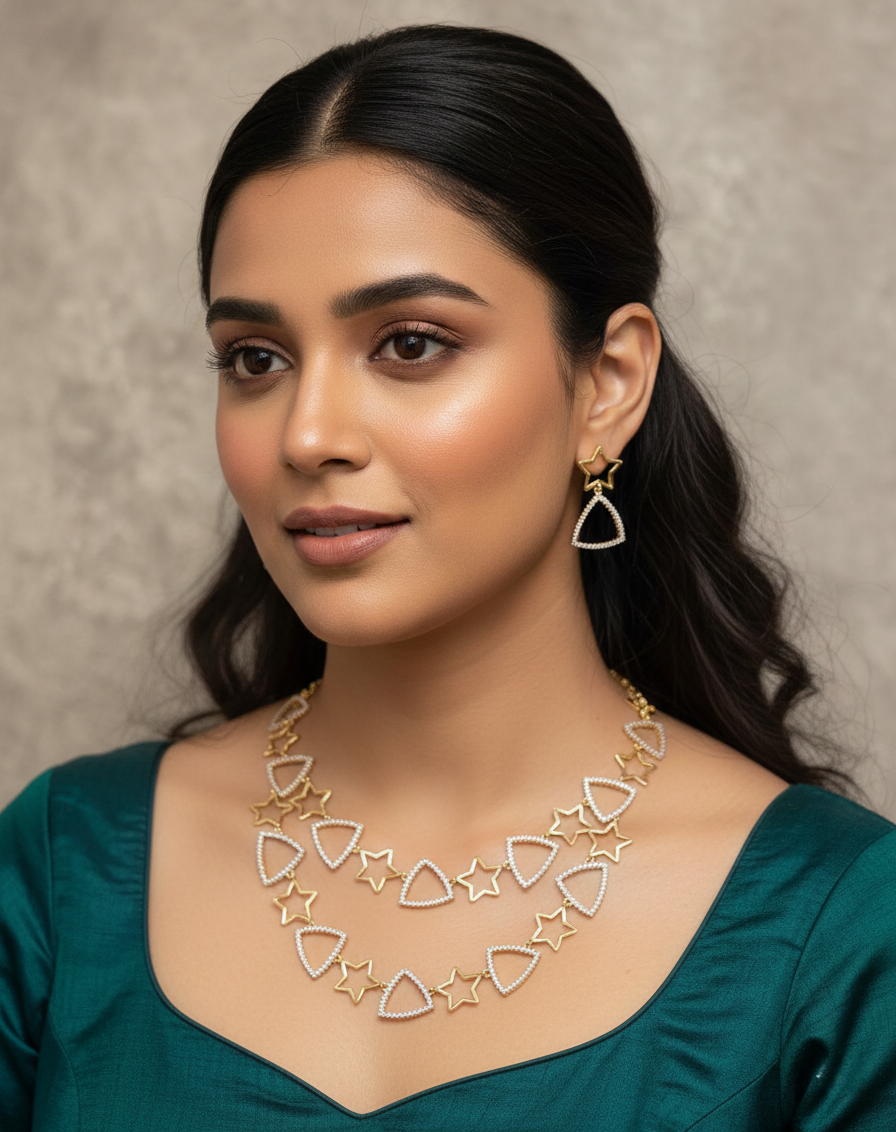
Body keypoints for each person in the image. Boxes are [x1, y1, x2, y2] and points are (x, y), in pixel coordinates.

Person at [1, 23, 894, 1130]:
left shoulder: (837, 926)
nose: (308, 432)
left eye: (410, 343)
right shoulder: (62, 870)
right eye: (255, 360)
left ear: (607, 381)